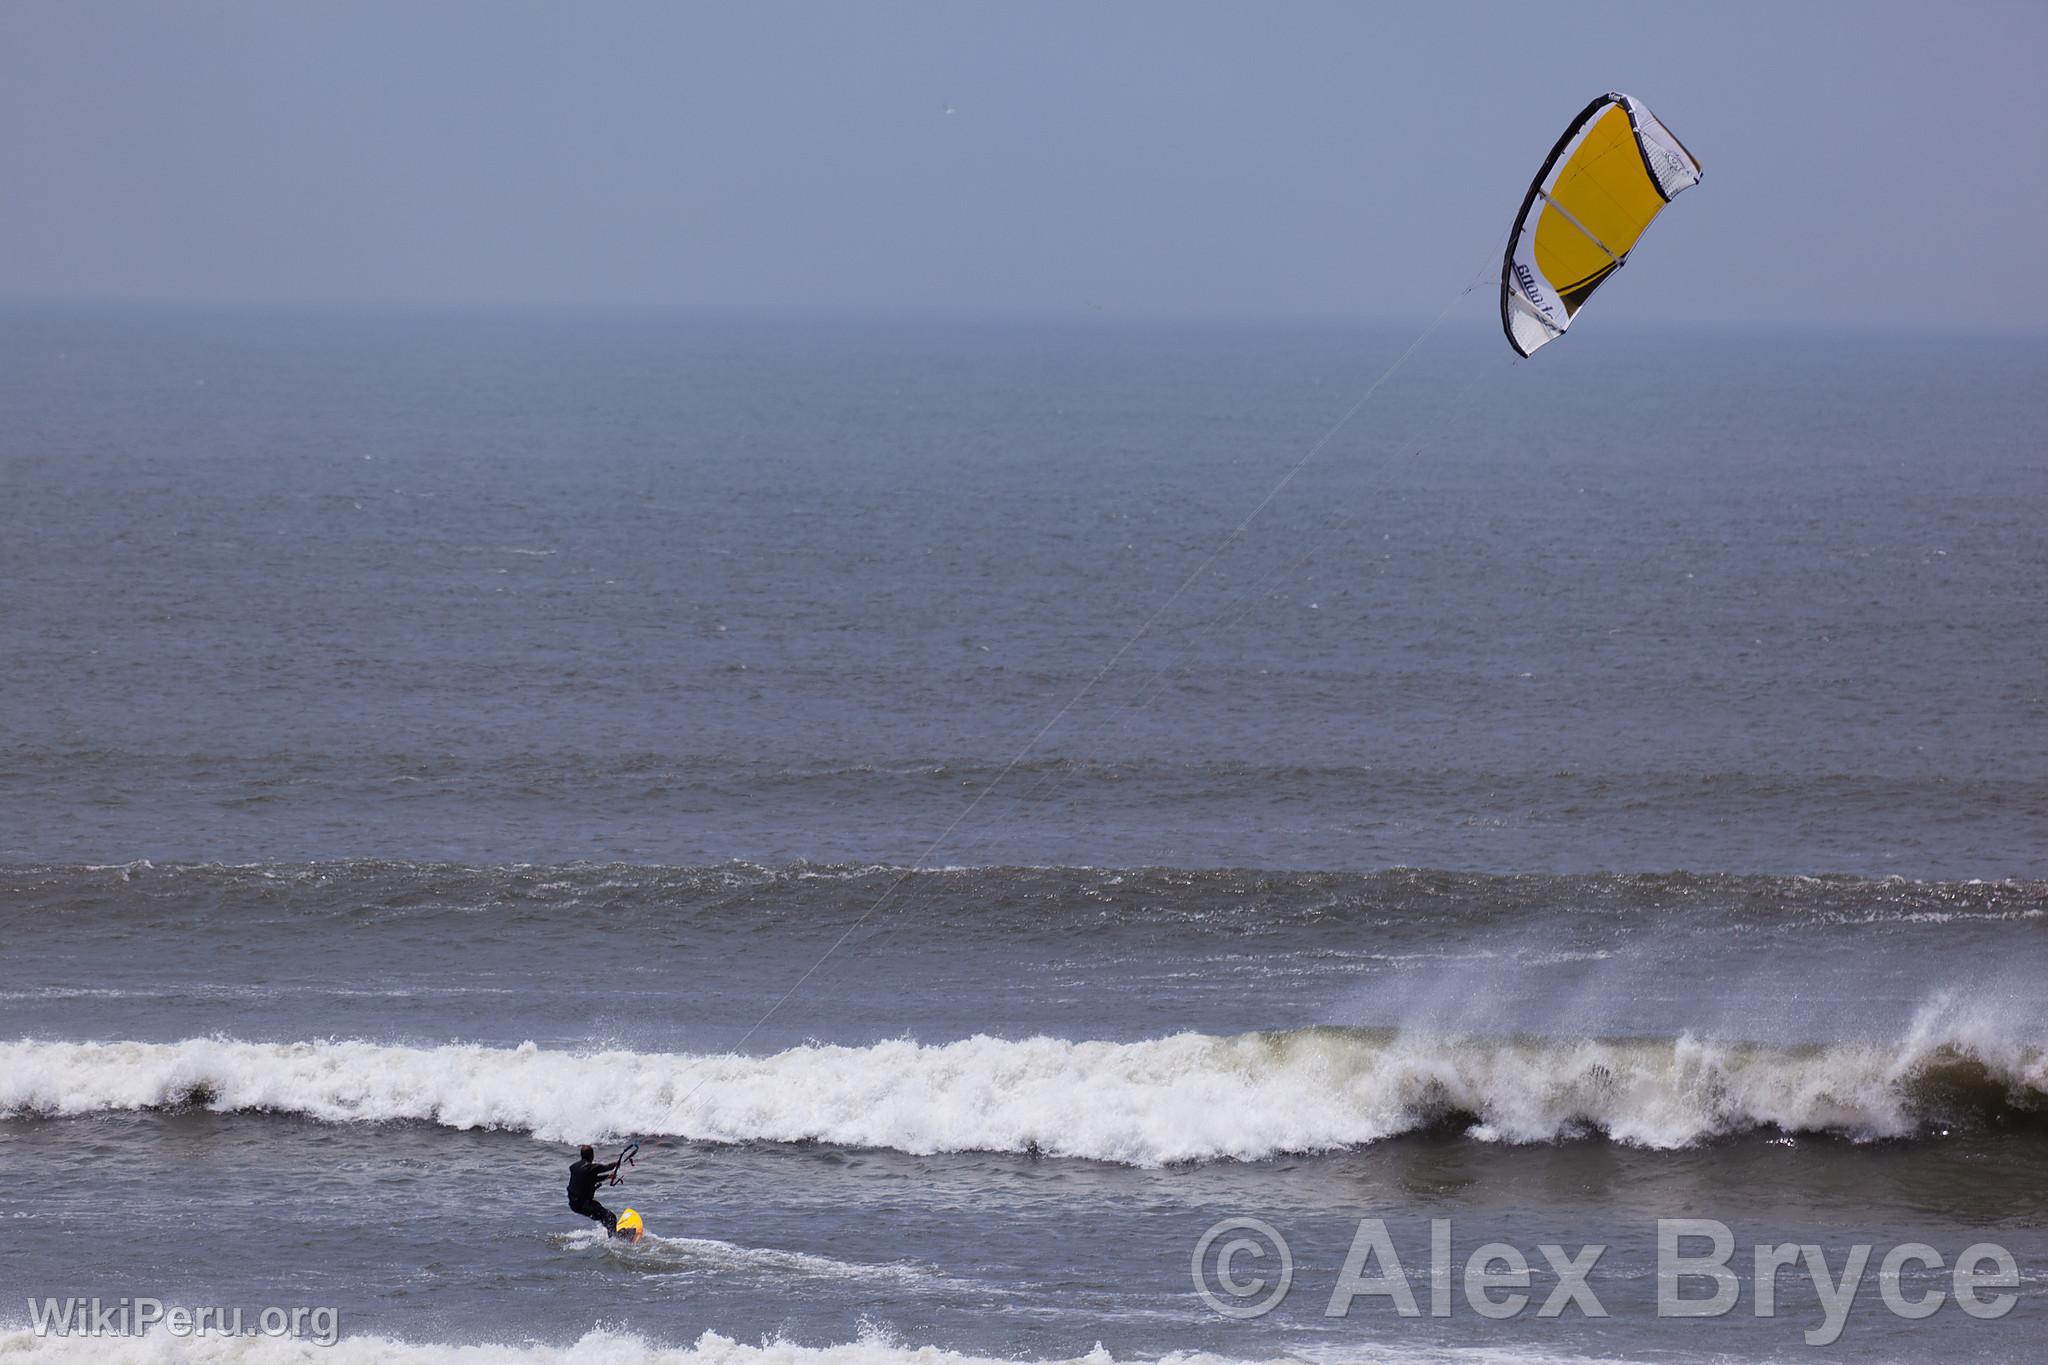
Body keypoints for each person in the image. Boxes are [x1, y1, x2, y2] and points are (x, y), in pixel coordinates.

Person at [566, 1144, 621, 1233]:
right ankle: (614, 1240)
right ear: (592, 1155)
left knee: (604, 1217)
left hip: (574, 1204)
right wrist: (616, 1164)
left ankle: (612, 1234)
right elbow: (605, 1167)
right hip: (584, 1205)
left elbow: (590, 1179)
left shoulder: (575, 1167)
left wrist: (608, 1177)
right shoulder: (590, 1167)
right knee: (611, 1217)